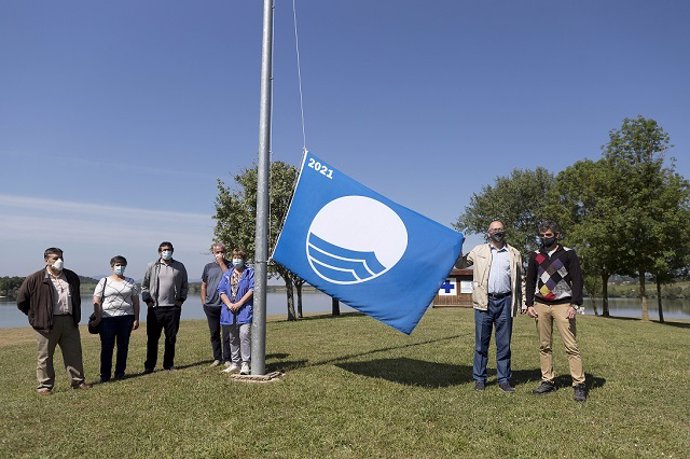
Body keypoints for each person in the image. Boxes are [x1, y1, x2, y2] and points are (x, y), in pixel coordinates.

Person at [524, 220, 587, 402]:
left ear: (557, 235)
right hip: (541, 305)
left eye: (548, 235)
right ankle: (547, 381)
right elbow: (530, 281)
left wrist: (574, 305)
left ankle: (579, 384)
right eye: (542, 236)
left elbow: (577, 280)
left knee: (571, 346)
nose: (545, 238)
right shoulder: (535, 255)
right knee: (544, 346)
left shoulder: (568, 254)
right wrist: (529, 304)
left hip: (563, 305)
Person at [16, 247, 90, 394]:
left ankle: (78, 381)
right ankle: (45, 386)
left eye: (61, 257)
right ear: (46, 260)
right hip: (46, 324)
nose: (59, 261)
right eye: (55, 258)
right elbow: (21, 301)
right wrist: (35, 316)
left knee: (74, 353)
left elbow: (76, 299)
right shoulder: (35, 278)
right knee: (45, 356)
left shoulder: (71, 276)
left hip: (69, 321)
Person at [460, 221, 523, 392]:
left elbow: (521, 280)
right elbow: (460, 264)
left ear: (504, 231)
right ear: (488, 233)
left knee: (504, 344)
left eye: (500, 229)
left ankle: (503, 380)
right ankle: (480, 379)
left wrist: (523, 303)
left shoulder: (514, 253)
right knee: (481, 343)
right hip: (484, 301)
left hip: (505, 301)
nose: (497, 231)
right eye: (494, 229)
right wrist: (458, 246)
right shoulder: (478, 251)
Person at [141, 241, 188, 373]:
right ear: (159, 252)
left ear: (172, 251)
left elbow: (185, 285)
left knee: (171, 338)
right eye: (164, 250)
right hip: (155, 308)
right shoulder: (152, 266)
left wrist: (180, 301)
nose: (166, 252)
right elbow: (144, 286)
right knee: (152, 338)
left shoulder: (180, 266)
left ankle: (168, 364)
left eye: (168, 250)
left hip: (173, 308)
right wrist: (148, 301)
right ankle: (149, 366)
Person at [91, 256, 140, 382]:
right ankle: (105, 375)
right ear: (112, 266)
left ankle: (120, 373)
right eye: (118, 265)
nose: (120, 267)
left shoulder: (131, 282)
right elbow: (96, 299)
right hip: (107, 319)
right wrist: (98, 316)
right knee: (107, 347)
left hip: (126, 318)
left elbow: (135, 302)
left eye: (123, 265)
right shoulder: (104, 281)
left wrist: (136, 318)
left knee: (123, 347)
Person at [218, 249, 254, 375]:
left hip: (244, 309)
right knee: (233, 337)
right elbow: (221, 290)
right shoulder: (227, 274)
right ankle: (235, 363)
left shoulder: (250, 272)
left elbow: (252, 289)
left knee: (244, 335)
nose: (236, 260)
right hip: (229, 311)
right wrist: (228, 304)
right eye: (234, 257)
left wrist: (240, 303)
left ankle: (245, 364)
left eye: (239, 257)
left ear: (244, 259)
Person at [200, 243, 231, 368]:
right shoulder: (208, 267)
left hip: (225, 306)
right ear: (213, 253)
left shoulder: (230, 265)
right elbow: (203, 285)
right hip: (210, 305)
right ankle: (217, 358)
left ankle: (227, 358)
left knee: (226, 334)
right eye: (217, 252)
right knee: (214, 333)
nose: (219, 254)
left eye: (221, 251)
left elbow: (230, 277)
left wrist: (222, 263)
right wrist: (204, 301)